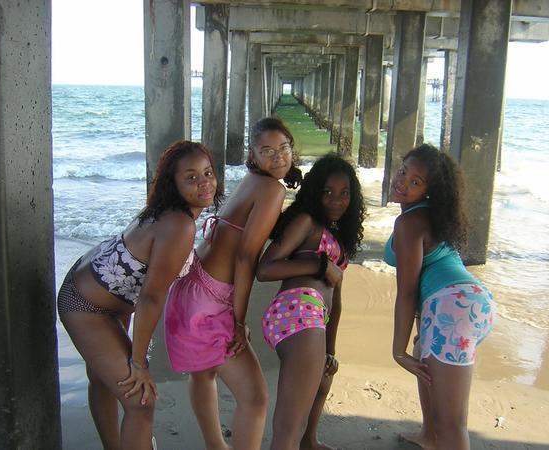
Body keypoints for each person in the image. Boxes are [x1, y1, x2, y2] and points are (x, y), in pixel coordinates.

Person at [57, 140, 222, 450]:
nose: (204, 182)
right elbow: (150, 298)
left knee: (105, 382)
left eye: (208, 173)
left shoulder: (171, 212)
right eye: (191, 177)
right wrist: (139, 363)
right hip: (86, 305)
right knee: (141, 400)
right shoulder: (179, 223)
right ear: (173, 184)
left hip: (103, 290)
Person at [164, 117, 302, 450]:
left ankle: (216, 445)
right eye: (267, 151)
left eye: (283, 148)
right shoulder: (272, 189)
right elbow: (245, 257)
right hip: (208, 300)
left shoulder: (251, 180)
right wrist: (238, 322)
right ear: (253, 155)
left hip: (189, 287)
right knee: (255, 398)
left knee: (204, 373)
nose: (278, 157)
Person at [384, 144, 495, 450]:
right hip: (469, 300)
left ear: (429, 191)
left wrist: (398, 352)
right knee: (423, 351)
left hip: (452, 308)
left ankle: (439, 435)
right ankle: (429, 436)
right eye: (403, 172)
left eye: (416, 182)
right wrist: (417, 338)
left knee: (452, 423)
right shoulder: (431, 217)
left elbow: (408, 292)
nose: (402, 182)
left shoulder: (409, 223)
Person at [256, 154, 366, 450]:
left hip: (314, 317)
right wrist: (319, 265)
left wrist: (330, 349)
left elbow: (336, 302)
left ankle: (309, 442)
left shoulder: (339, 238)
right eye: (327, 192)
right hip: (298, 312)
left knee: (322, 382)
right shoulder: (307, 222)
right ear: (315, 191)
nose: (336, 200)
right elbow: (265, 269)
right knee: (288, 427)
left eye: (344, 193)